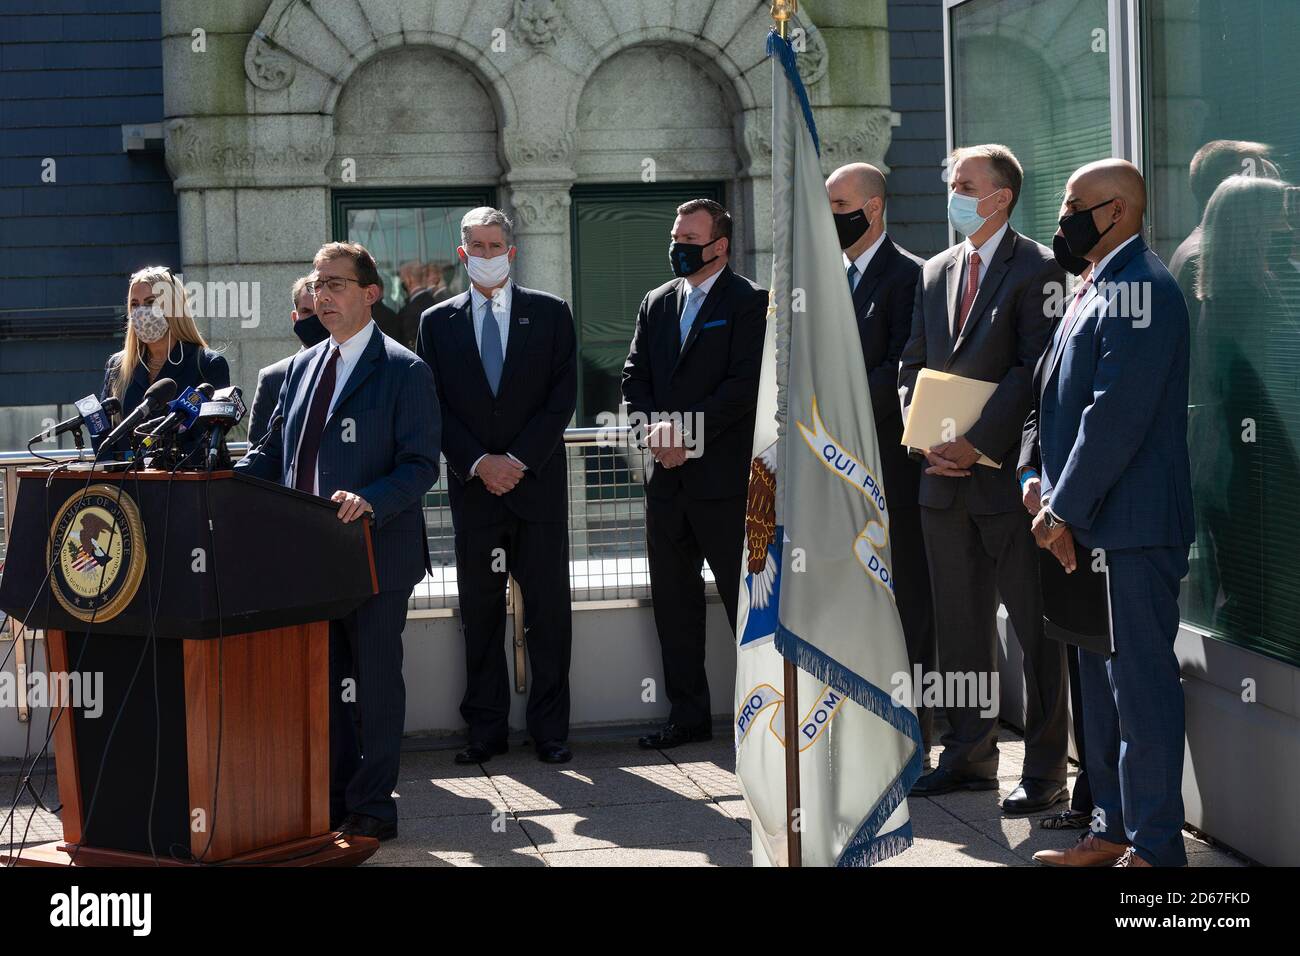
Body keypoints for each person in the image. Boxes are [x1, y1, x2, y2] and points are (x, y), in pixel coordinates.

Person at [236, 241, 441, 842]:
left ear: (370, 294)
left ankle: (375, 803)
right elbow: (273, 454)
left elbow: (421, 463)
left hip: (375, 551)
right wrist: (216, 477)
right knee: (319, 683)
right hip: (309, 557)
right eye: (317, 284)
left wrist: (369, 499)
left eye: (336, 284)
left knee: (375, 683)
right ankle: (328, 798)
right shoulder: (300, 368)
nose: (322, 295)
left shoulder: (405, 370)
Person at [1027, 160, 1194, 867]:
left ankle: (1155, 850)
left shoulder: (1144, 288)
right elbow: (1052, 400)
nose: (1062, 219)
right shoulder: (1095, 284)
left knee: (1141, 695)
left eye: (1074, 206)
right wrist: (1033, 479)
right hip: (1081, 528)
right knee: (1100, 695)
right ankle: (1113, 831)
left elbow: (1114, 419)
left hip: (1127, 532)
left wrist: (1059, 507)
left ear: (1118, 210)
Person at [898, 144, 1069, 813]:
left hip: (1005, 485)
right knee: (961, 630)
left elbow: (1034, 369)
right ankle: (969, 755)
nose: (954, 192)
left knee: (1036, 633)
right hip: (941, 484)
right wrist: (924, 435)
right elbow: (913, 363)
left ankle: (1047, 772)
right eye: (952, 183)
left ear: (1000, 195)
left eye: (965, 184)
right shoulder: (936, 269)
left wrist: (978, 443)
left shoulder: (1038, 268)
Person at [416, 208, 578, 765]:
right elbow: (432, 402)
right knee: (480, 615)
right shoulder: (437, 322)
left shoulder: (552, 314)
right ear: (462, 255)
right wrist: (480, 463)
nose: (486, 255)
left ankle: (551, 731)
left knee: (549, 615)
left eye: (495, 245)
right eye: (475, 247)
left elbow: (562, 399)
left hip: (537, 493)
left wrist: (517, 460)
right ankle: (484, 732)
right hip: (475, 492)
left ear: (512, 250)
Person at [621, 198, 768, 749]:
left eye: (690, 239)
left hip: (726, 488)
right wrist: (654, 433)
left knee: (745, 607)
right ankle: (687, 717)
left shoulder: (749, 302)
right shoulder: (656, 302)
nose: (678, 247)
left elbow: (742, 385)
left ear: (720, 246)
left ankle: (762, 720)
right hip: (666, 486)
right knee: (675, 608)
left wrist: (687, 434)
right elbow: (634, 377)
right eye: (675, 236)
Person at [825, 162, 936, 766]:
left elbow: (902, 368)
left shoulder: (913, 278)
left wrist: (830, 394)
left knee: (907, 598)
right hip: (837, 472)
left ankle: (913, 723)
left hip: (893, 469)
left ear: (871, 209)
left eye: (839, 204)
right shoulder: (825, 279)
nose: (830, 217)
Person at [100, 266, 229, 456]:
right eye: (134, 304)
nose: (141, 312)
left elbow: (209, 437)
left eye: (151, 302)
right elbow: (103, 432)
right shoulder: (117, 367)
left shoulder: (208, 365)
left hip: (183, 481)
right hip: (125, 482)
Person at [247, 274, 329, 446]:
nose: (315, 320)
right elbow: (258, 454)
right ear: (294, 318)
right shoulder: (273, 379)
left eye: (321, 310)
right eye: (306, 311)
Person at [395, 261, 447, 351]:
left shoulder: (408, 311)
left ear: (408, 279)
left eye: (402, 279)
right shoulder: (435, 302)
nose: (401, 282)